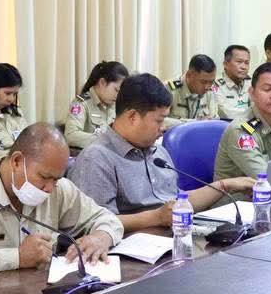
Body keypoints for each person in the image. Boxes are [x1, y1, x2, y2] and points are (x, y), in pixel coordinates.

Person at [0, 123, 124, 278]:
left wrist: (101, 237)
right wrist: (17, 257)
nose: (49, 188)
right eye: (44, 177)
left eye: (56, 179)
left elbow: (108, 219)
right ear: (16, 161)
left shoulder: (58, 188)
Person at [69, 74, 256, 232]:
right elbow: (96, 222)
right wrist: (156, 217)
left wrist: (225, 185)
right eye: (159, 120)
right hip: (132, 250)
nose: (164, 127)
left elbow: (179, 202)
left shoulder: (158, 152)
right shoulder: (96, 158)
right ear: (133, 117)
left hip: (173, 239)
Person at [64, 60, 128, 149]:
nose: (118, 96)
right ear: (102, 82)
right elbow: (71, 135)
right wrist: (104, 140)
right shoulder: (81, 104)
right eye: (116, 90)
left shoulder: (115, 105)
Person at [162, 54, 219, 128]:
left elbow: (214, 118)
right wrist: (193, 123)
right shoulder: (168, 89)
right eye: (203, 82)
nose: (207, 87)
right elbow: (160, 120)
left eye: (211, 82)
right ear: (189, 75)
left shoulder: (210, 91)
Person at [213, 44, 253, 121]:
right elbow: (225, 113)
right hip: (227, 126)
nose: (243, 67)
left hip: (250, 126)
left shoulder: (251, 83)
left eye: (246, 63)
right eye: (239, 62)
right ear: (226, 64)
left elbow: (259, 110)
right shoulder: (215, 85)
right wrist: (251, 113)